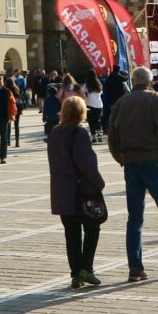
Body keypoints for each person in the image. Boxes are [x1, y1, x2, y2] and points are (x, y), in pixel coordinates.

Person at [104, 67, 158, 282]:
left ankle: (135, 268)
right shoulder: (156, 99)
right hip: (154, 161)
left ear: (133, 82)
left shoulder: (122, 103)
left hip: (131, 163)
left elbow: (111, 135)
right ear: (150, 81)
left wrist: (121, 159)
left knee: (134, 219)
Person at [47, 95, 106, 289]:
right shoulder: (79, 133)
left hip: (61, 189)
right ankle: (86, 268)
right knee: (92, 227)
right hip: (81, 190)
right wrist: (99, 182)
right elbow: (85, 163)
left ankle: (75, 273)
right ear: (81, 113)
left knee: (71, 233)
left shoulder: (54, 132)